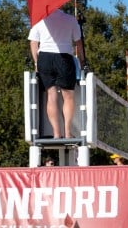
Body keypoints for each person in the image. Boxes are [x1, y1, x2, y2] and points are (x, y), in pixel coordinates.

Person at [28, 9, 86, 139]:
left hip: (45, 58)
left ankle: (56, 133)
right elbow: (78, 42)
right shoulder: (70, 19)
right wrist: (82, 61)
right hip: (64, 57)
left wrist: (36, 62)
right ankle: (67, 132)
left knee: (51, 95)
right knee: (68, 96)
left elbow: (33, 42)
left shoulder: (39, 19)